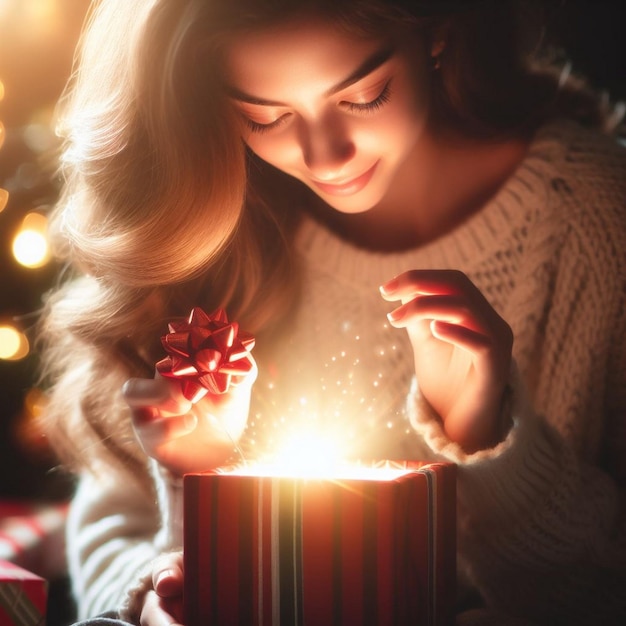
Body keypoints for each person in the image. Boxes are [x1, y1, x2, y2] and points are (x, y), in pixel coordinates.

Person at [36, 0, 626, 624]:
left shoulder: (595, 218)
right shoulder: (213, 229)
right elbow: (111, 525)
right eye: (266, 117)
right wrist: (169, 578)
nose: (324, 157)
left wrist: (485, 435)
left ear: (436, 33)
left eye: (365, 96)